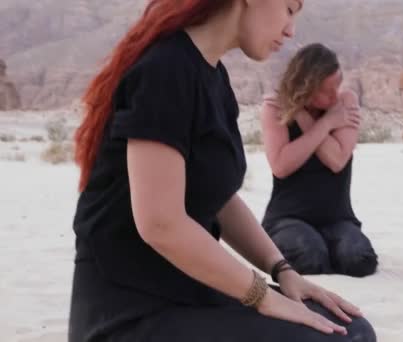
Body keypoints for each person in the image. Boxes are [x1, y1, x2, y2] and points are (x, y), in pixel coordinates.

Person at [67, 1, 376, 341]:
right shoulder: (165, 68)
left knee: (351, 329)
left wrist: (282, 271)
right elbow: (160, 224)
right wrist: (260, 295)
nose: (291, 30)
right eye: (289, 8)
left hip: (189, 291)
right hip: (130, 312)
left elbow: (220, 201)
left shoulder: (213, 77)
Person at [259, 43, 379, 278]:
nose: (334, 95)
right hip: (287, 218)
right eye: (326, 90)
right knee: (309, 257)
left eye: (337, 85)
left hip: (338, 218)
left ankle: (327, 247)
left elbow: (336, 160)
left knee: (358, 260)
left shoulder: (345, 101)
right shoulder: (276, 109)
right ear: (305, 88)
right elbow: (281, 166)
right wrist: (322, 122)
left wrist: (306, 117)